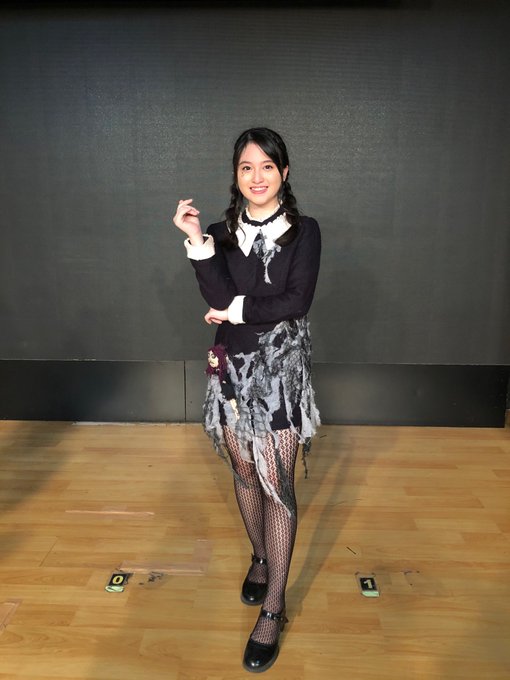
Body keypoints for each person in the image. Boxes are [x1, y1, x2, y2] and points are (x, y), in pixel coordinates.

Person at [173, 127, 321, 673]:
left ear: (284, 172)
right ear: (236, 176)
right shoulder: (221, 232)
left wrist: (234, 311)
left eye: (267, 166)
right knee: (243, 470)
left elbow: (295, 301)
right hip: (231, 369)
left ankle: (274, 607)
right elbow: (215, 293)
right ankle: (260, 557)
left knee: (277, 485)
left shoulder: (305, 232)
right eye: (246, 167)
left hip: (281, 373)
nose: (257, 177)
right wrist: (197, 240)